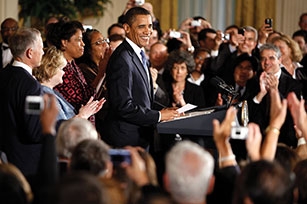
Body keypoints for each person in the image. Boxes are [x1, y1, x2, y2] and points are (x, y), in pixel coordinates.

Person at [103, 7, 178, 148]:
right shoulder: (122, 58)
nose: (147, 31)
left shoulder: (138, 54)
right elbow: (123, 106)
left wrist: (167, 111)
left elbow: (142, 99)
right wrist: (159, 116)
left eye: (150, 26)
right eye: (141, 27)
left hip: (140, 135)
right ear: (127, 28)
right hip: (126, 139)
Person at [0, 27, 44, 181]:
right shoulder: (31, 86)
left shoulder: (3, 75)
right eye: (41, 48)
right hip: (26, 163)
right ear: (30, 52)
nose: (43, 52)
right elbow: (34, 131)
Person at [249, 43, 302, 147]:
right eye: (263, 58)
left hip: (283, 139)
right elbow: (248, 112)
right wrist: (260, 94)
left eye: (271, 58)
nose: (267, 62)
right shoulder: (253, 82)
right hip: (258, 139)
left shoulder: (293, 84)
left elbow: (291, 112)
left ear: (280, 60)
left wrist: (275, 91)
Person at [33, 46, 105, 122]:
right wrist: (83, 115)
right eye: (61, 69)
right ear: (50, 69)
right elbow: (60, 128)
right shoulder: (45, 95)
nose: (63, 73)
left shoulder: (51, 92)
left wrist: (89, 111)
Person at [46, 20, 97, 123]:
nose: (83, 44)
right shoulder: (60, 70)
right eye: (78, 40)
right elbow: (81, 102)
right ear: (64, 42)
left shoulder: (73, 64)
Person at [149, 42, 170, 109]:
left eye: (161, 53)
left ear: (167, 56)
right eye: (155, 53)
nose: (158, 56)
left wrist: (154, 85)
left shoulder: (172, 75)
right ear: (149, 55)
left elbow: (166, 100)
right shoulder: (143, 71)